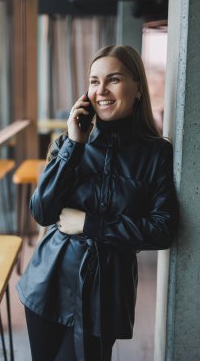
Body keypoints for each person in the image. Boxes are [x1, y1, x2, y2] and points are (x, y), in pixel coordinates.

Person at [17, 45, 178, 361]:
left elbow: (163, 230)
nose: (101, 90)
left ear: (138, 89)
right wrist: (74, 146)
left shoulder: (156, 154)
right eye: (94, 81)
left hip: (105, 295)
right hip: (47, 285)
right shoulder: (69, 142)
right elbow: (42, 211)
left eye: (113, 79)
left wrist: (90, 224)